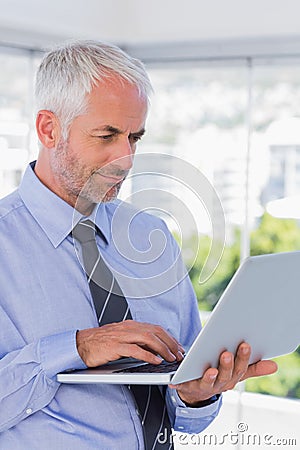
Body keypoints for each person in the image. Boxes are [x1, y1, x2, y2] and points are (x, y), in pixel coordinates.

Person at [0, 40, 277, 449]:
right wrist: (77, 347)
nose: (127, 158)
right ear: (48, 128)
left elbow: (184, 410)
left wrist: (196, 394)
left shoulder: (154, 237)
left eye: (134, 137)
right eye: (107, 135)